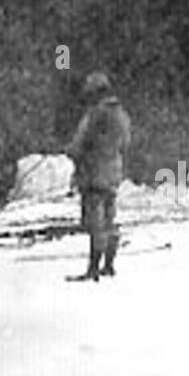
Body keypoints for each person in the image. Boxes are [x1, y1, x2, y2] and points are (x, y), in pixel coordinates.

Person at [65, 71, 132, 282]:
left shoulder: (94, 115)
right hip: (113, 171)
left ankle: (93, 269)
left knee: (95, 222)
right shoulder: (121, 114)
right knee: (109, 218)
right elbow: (126, 142)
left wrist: (71, 151)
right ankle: (109, 265)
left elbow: (79, 143)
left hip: (93, 172)